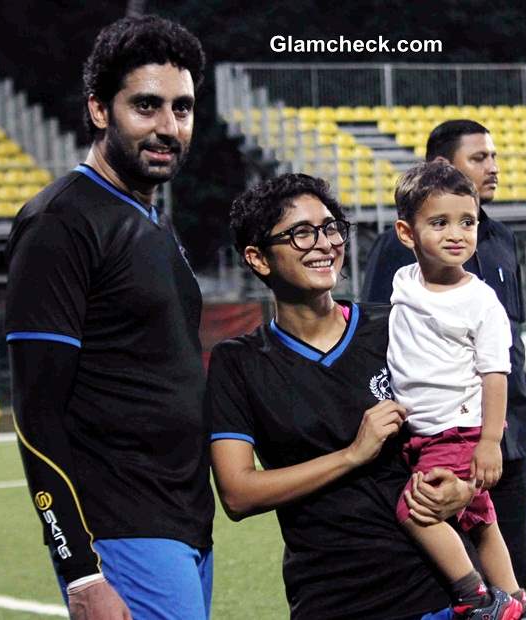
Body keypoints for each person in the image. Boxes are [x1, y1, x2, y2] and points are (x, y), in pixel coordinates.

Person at [5, 15, 213, 620]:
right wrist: (79, 571)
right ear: (99, 110)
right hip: (119, 529)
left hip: (184, 522)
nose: (168, 127)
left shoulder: (150, 219)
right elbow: (36, 412)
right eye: (146, 106)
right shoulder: (60, 223)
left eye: (182, 108)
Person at [207, 172, 485, 620]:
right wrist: (352, 455)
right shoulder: (238, 362)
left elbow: (466, 422)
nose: (324, 243)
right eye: (301, 232)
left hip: (437, 590)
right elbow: (238, 494)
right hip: (331, 597)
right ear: (258, 258)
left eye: (331, 227)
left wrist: (464, 487)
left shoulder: (398, 324)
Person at [362, 119, 526, 589]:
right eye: (480, 157)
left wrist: (514, 436)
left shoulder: (501, 241)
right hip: (432, 431)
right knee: (437, 559)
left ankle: (508, 602)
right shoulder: (398, 260)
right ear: (443, 167)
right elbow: (381, 337)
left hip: (503, 437)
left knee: (504, 555)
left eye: (495, 156)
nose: (494, 167)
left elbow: (507, 353)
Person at [389, 161, 526, 619]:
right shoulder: (404, 284)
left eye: (468, 221)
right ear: (407, 233)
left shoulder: (480, 300)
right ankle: (520, 604)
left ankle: (474, 596)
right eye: (439, 223)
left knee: (414, 511)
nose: (457, 233)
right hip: (423, 433)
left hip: (457, 431)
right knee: (481, 521)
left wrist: (489, 443)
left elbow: (496, 372)